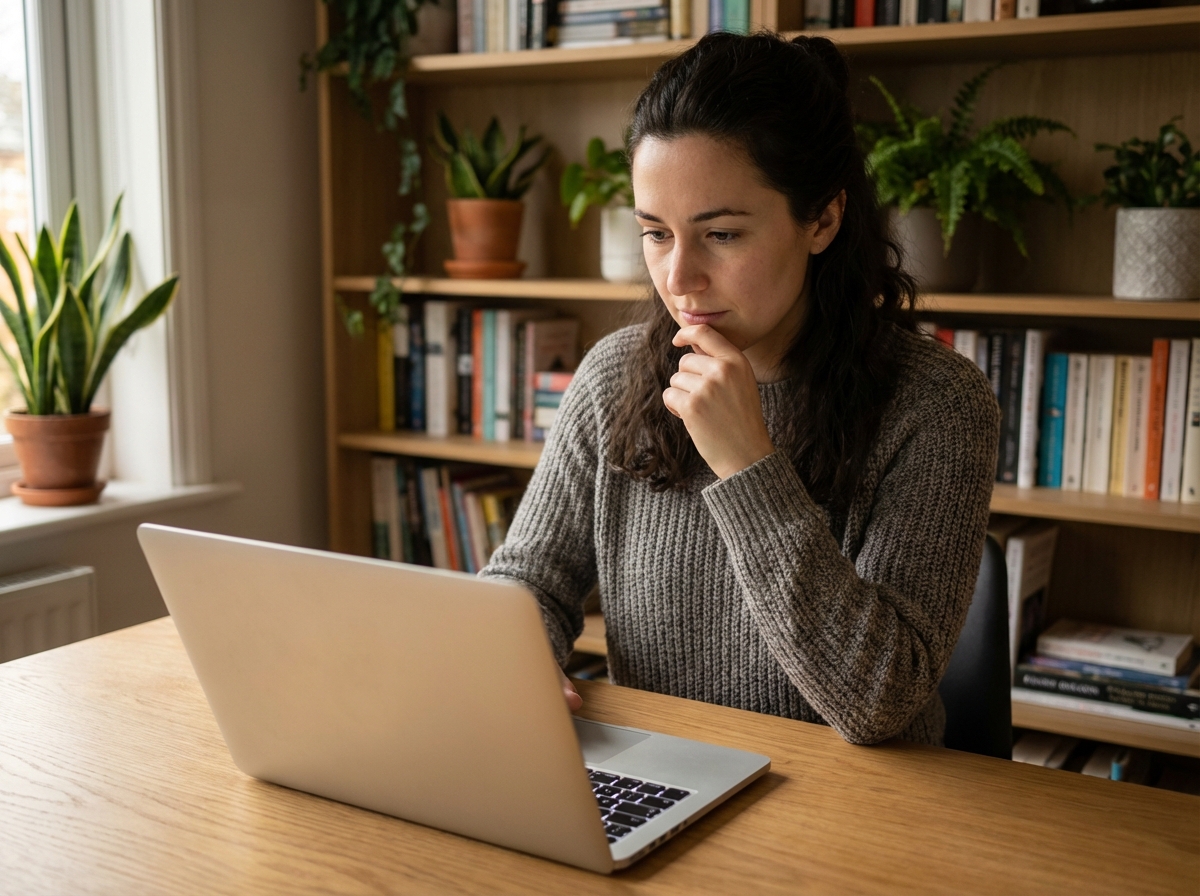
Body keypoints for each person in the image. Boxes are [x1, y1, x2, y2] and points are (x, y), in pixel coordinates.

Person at [480, 31, 999, 746]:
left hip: (856, 802)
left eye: (721, 235)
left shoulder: (938, 405)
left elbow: (881, 701)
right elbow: (527, 581)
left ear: (823, 219)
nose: (679, 279)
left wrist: (749, 465)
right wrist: (517, 654)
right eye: (656, 233)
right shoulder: (612, 377)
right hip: (665, 777)